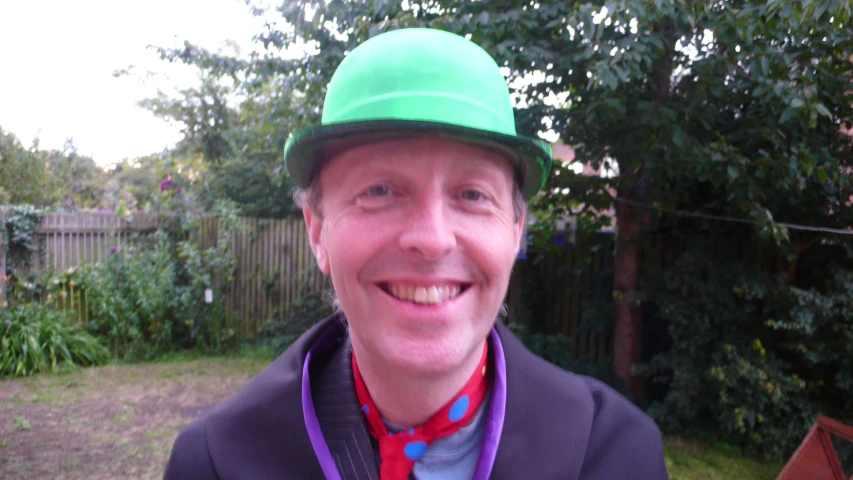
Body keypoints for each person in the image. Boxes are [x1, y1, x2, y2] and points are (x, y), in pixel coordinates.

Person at [164, 28, 669, 480]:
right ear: (317, 232)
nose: (431, 239)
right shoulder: (217, 463)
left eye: (472, 195)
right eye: (379, 190)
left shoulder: (612, 456)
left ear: (515, 232)